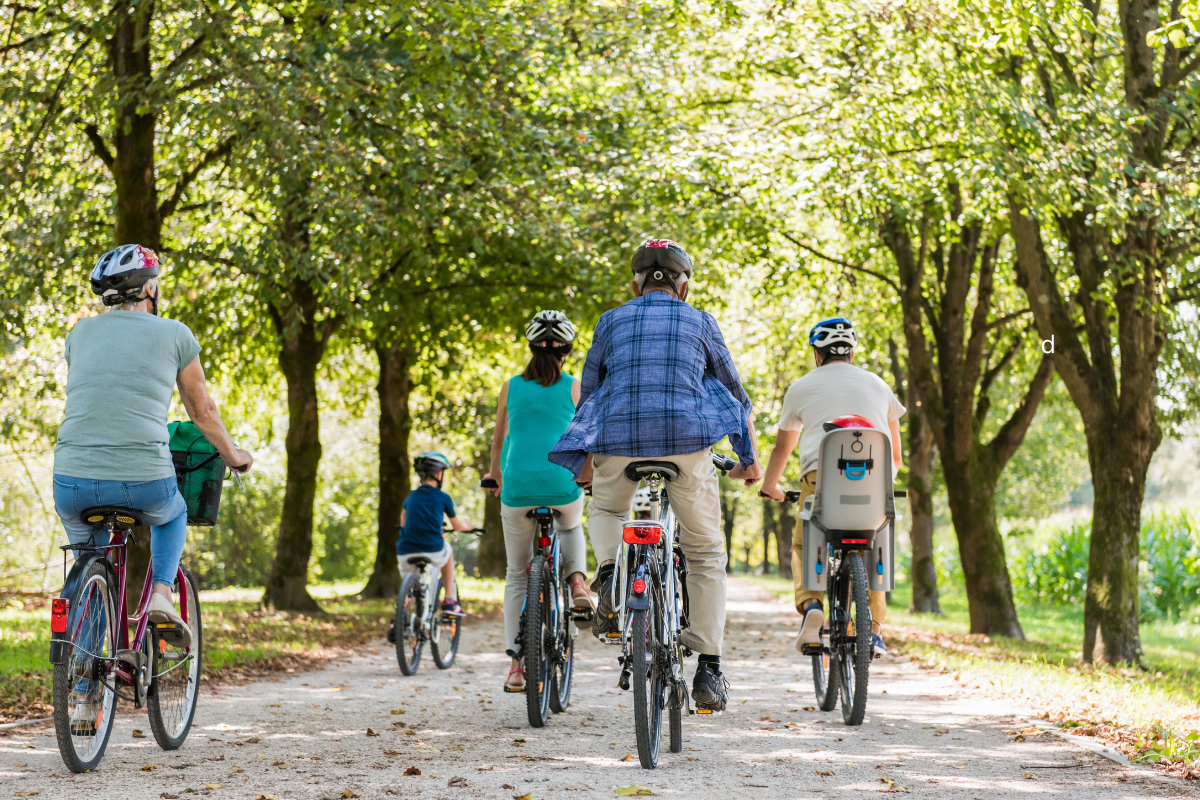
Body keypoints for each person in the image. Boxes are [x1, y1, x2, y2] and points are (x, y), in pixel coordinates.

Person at [549, 238, 761, 711]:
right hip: (687, 445)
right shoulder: (702, 321)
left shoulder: (610, 320)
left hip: (619, 443)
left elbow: (591, 394)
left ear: (635, 283)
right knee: (705, 551)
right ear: (684, 285)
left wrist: (584, 451)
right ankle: (708, 669)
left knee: (605, 506)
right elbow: (735, 395)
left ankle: (608, 575)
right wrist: (748, 460)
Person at [53, 245, 253, 729]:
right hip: (144, 477)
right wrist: (235, 458)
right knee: (173, 511)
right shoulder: (176, 334)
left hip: (71, 479)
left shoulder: (79, 333)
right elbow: (201, 412)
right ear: (148, 288)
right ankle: (162, 592)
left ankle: (83, 698)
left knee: (88, 564)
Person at [759, 317, 904, 657]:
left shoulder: (801, 387)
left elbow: (783, 448)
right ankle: (875, 630)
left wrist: (770, 486)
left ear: (817, 354)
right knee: (877, 545)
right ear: (852, 353)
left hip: (819, 483)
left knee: (804, 543)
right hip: (874, 485)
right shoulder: (880, 386)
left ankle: (811, 606)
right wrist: (884, 487)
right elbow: (895, 456)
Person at [482, 310, 591, 694]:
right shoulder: (575, 386)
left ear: (530, 347)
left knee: (517, 575)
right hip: (562, 484)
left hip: (517, 489)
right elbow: (587, 438)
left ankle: (515, 667)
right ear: (567, 350)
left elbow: (499, 441)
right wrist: (587, 474)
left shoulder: (510, 386)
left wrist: (495, 474)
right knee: (572, 522)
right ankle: (578, 583)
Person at [395, 451, 477, 619]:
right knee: (448, 550)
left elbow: (403, 519)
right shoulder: (443, 497)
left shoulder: (411, 496)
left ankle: (399, 619)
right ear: (439, 474)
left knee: (413, 586)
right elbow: (456, 525)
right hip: (432, 549)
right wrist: (468, 527)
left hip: (405, 551)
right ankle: (449, 600)